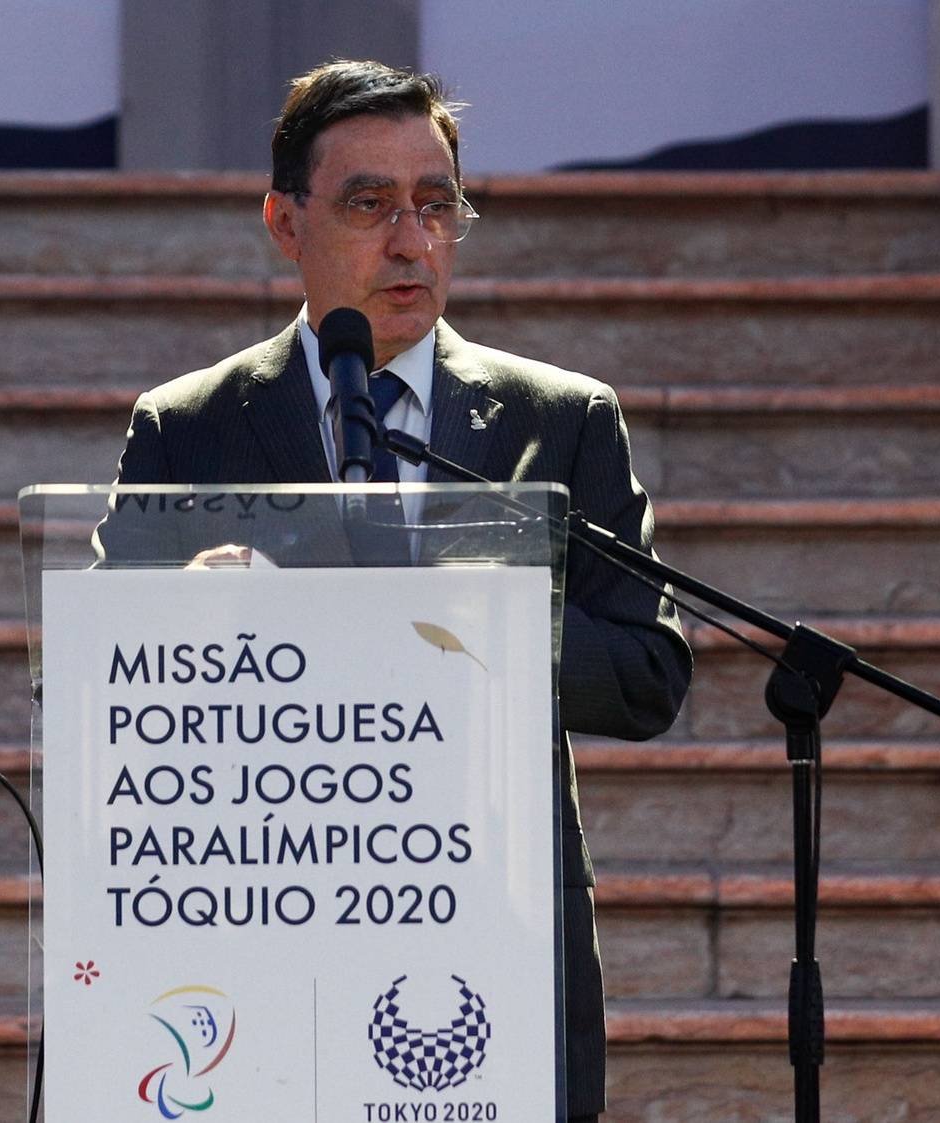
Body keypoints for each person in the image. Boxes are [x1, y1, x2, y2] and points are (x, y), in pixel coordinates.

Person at [105, 59, 693, 1122]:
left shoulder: (553, 423)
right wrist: (190, 627)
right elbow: (98, 690)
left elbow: (649, 672)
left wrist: (487, 622)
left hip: (487, 943)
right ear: (285, 223)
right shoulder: (187, 427)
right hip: (261, 929)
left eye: (435, 205)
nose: (409, 241)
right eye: (368, 205)